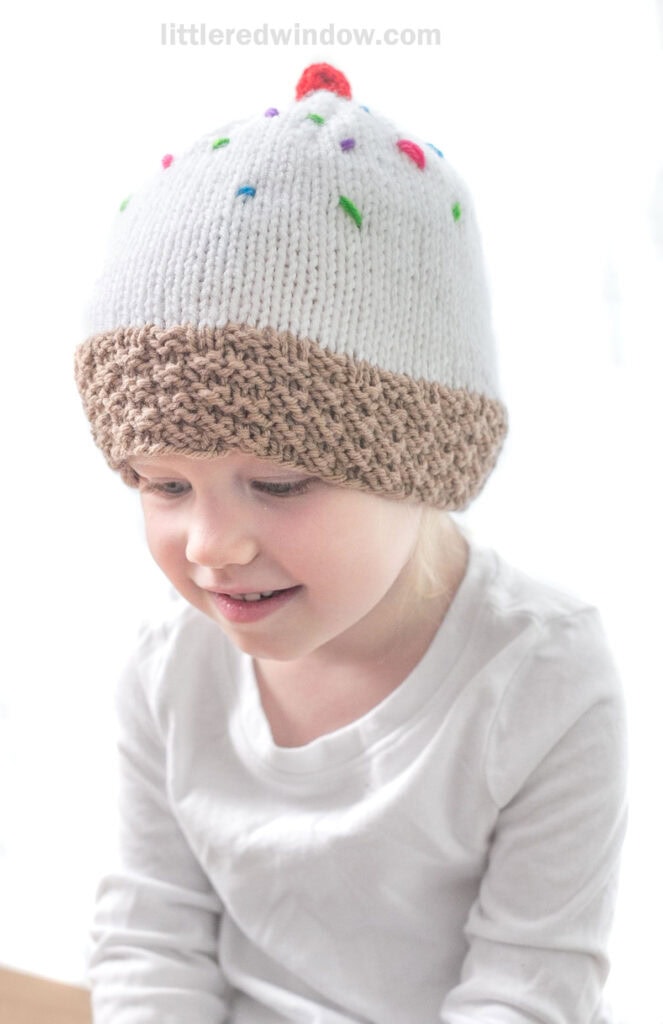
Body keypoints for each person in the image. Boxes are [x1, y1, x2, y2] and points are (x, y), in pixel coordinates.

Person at [75, 62, 627, 1024]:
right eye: (162, 485)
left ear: (422, 463)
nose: (210, 548)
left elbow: (530, 988)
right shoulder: (170, 667)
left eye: (280, 482)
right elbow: (149, 941)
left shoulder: (542, 675)